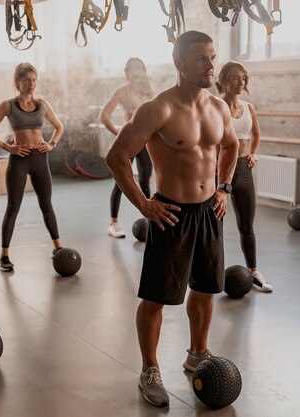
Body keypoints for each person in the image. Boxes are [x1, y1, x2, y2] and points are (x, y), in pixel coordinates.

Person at [105, 31, 239, 407]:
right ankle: (149, 369)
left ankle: (197, 352)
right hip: (171, 213)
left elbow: (232, 145)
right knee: (156, 297)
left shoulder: (218, 107)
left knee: (206, 288)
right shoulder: (157, 109)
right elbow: (117, 157)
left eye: (212, 57)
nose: (210, 65)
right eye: (201, 59)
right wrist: (145, 205)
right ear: (179, 63)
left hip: (209, 210)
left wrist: (224, 187)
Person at [0, 63, 65, 272]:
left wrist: (51, 144)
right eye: (27, 80)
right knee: (13, 208)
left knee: (47, 205)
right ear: (17, 82)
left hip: (40, 159)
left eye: (34, 80)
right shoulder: (8, 105)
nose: (31, 84)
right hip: (19, 160)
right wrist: (9, 148)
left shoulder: (42, 103)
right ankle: (4, 256)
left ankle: (58, 248)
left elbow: (59, 127)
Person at [215, 61, 272, 292]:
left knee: (246, 226)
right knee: (215, 227)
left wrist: (255, 154)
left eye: (244, 78)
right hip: (219, 172)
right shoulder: (216, 107)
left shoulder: (249, 108)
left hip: (243, 171)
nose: (241, 83)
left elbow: (256, 135)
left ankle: (253, 272)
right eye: (236, 78)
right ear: (226, 80)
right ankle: (213, 273)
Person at [100, 58, 155, 238]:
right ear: (127, 73)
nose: (137, 73)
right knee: (121, 182)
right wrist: (118, 133)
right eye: (133, 70)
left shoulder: (149, 92)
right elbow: (104, 115)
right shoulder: (122, 92)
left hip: (146, 142)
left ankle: (150, 219)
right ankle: (113, 223)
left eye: (140, 69)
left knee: (145, 182)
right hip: (129, 142)